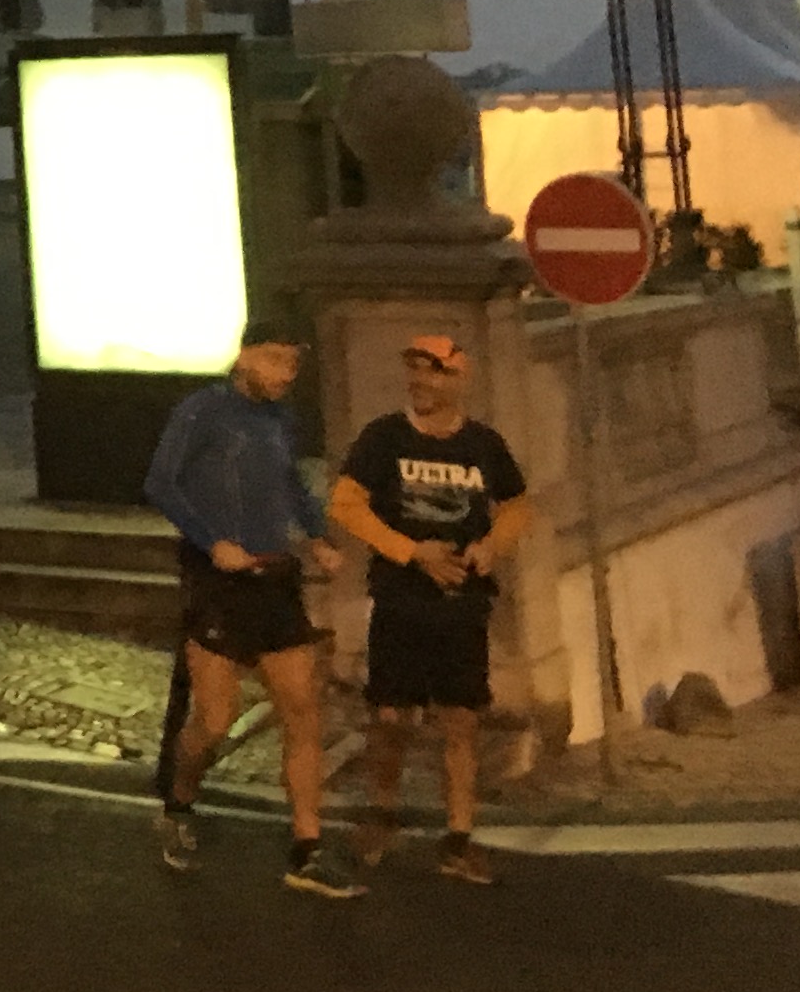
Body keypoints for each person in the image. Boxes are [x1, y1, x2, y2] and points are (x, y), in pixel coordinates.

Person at [144, 318, 357, 896]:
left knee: (302, 708)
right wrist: (213, 542)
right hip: (215, 582)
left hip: (273, 577)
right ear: (244, 358)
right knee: (214, 720)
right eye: (275, 360)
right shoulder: (201, 411)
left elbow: (289, 483)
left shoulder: (280, 419)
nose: (286, 374)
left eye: (292, 363)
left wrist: (316, 535)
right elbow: (161, 484)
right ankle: (180, 799)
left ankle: (306, 848)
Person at [330, 334, 530, 886]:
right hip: (401, 598)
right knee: (390, 717)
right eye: (415, 371)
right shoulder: (383, 437)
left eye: (435, 372)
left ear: (458, 379)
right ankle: (382, 812)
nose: (421, 381)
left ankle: (459, 837)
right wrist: (411, 552)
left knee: (461, 722)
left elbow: (516, 504)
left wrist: (492, 545)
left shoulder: (483, 444)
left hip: (462, 603)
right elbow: (345, 505)